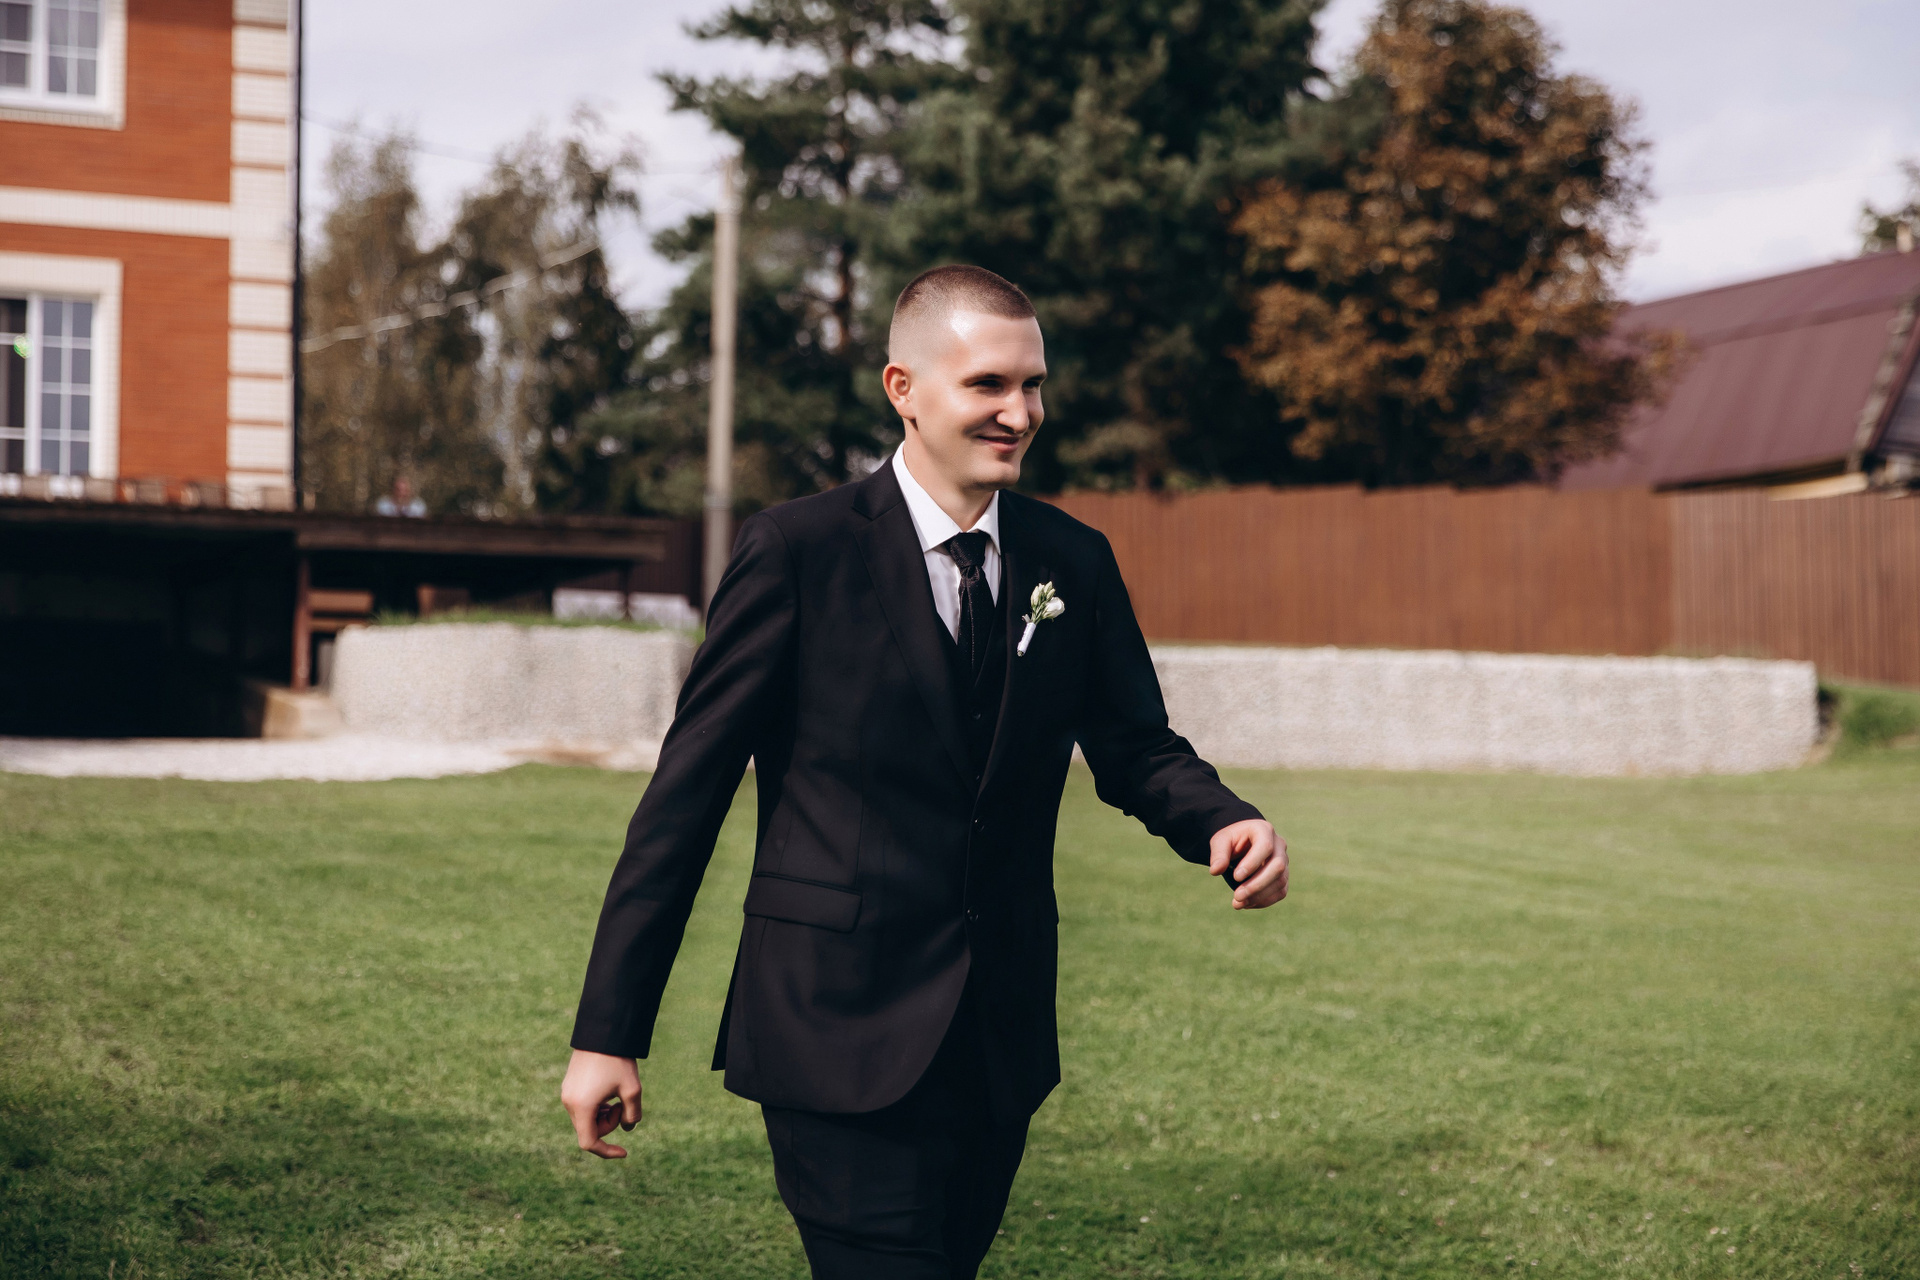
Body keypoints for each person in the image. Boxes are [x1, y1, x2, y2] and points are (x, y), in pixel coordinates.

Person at [561, 264, 1288, 1279]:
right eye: (989, 384)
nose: (1019, 413)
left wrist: (1219, 817)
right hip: (832, 1027)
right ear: (903, 389)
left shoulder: (1070, 560)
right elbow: (685, 799)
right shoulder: (797, 551)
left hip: (997, 1040)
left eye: (1033, 386)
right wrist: (609, 1031)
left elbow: (1133, 743)